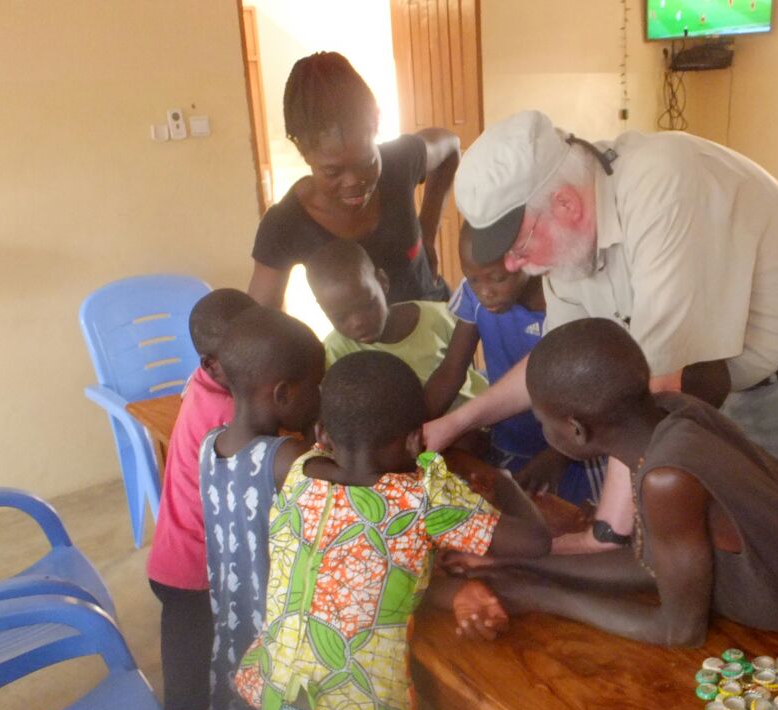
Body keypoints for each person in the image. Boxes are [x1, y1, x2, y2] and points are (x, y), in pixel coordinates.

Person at [427, 110, 778, 538]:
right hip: (737, 387)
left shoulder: (663, 183)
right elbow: (556, 359)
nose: (515, 264)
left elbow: (651, 391)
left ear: (566, 205)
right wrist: (453, 424)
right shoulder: (564, 239)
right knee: (749, 539)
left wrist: (605, 533)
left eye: (518, 246)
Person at [454, 319, 778, 685]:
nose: (539, 430)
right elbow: (654, 566)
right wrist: (524, 565)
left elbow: (679, 628)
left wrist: (534, 594)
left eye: (541, 419)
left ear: (576, 430)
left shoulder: (668, 479)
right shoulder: (674, 416)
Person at [232, 351, 550, 710]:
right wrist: (504, 483)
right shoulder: (424, 497)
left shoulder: (297, 476)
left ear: (323, 434)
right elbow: (536, 542)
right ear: (412, 440)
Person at [198, 305, 326, 710]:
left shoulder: (212, 446)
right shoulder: (288, 456)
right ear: (284, 395)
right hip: (278, 629)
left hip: (231, 617)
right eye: (315, 387)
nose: (320, 397)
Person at [145, 287, 255, 710]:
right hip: (193, 576)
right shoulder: (226, 413)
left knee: (219, 690)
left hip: (184, 563)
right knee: (191, 701)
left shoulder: (206, 382)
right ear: (213, 363)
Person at [248, 51, 460, 309]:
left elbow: (451, 146)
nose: (353, 182)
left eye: (365, 163)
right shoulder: (286, 225)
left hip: (436, 326)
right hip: (364, 345)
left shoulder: (399, 163)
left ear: (375, 125)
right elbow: (261, 318)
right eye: (332, 172)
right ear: (304, 153)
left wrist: (428, 229)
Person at [424, 223, 604, 506]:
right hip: (510, 441)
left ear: (526, 260)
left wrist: (561, 454)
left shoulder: (566, 300)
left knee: (578, 520)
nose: (485, 292)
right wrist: (416, 430)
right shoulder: (475, 295)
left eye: (497, 278)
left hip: (578, 449)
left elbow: (600, 390)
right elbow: (451, 372)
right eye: (473, 280)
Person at [309, 238, 487, 409]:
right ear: (323, 309)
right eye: (340, 317)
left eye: (367, 305)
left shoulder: (437, 316)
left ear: (382, 282)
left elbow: (465, 367)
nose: (357, 322)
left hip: (480, 413)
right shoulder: (334, 352)